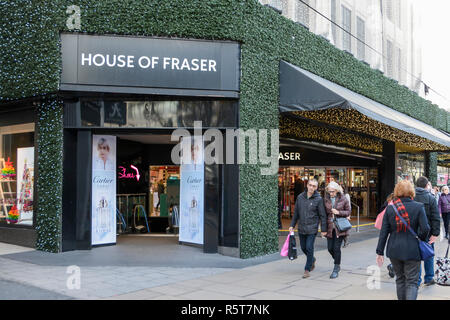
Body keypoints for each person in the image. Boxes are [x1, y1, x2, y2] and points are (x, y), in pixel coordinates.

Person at [376, 180, 430, 300]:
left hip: (394, 250)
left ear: (397, 191)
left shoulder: (390, 209)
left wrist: (379, 252)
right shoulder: (418, 207)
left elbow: (383, 232)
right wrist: (420, 238)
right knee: (412, 281)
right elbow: (426, 228)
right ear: (411, 191)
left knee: (400, 279)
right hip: (412, 249)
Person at [289, 179, 327, 279]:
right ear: (307, 185)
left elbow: (323, 215)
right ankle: (312, 259)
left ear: (316, 188)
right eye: (310, 185)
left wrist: (323, 229)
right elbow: (296, 213)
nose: (311, 188)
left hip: (312, 228)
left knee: (309, 247)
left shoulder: (318, 199)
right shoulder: (300, 197)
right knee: (303, 247)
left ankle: (307, 269)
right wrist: (292, 225)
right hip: (301, 227)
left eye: (314, 186)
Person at [414, 176, 440, 286]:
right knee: (429, 254)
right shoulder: (431, 198)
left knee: (415, 256)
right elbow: (435, 217)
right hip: (428, 233)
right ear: (426, 185)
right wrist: (435, 233)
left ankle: (417, 280)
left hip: (413, 232)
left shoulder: (411, 197)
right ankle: (429, 278)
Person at [324, 181, 351, 279]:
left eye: (333, 191)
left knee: (336, 248)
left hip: (339, 227)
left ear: (336, 190)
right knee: (330, 248)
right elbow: (324, 214)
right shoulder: (326, 199)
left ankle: (336, 268)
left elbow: (348, 211)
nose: (331, 193)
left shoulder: (343, 198)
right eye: (329, 191)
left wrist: (338, 212)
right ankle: (337, 261)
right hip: (330, 227)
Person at [376, 193, 396, 278]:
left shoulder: (388, 202)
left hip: (390, 231)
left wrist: (380, 252)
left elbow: (383, 234)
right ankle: (393, 266)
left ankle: (393, 266)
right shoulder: (398, 204)